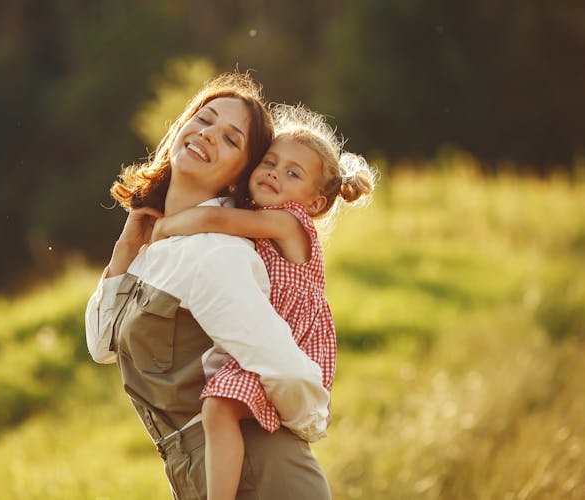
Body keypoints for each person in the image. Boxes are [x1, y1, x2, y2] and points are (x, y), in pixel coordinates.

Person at [85, 73, 332, 499]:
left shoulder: (217, 254)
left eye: (232, 139)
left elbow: (287, 369)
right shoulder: (154, 247)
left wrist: (308, 425)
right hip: (197, 477)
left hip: (265, 481)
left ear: (241, 175)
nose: (208, 135)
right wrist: (124, 252)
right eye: (204, 119)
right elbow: (102, 344)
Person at [150, 104, 376, 499]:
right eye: (269, 162)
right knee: (221, 410)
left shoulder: (287, 221)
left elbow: (218, 221)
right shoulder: (262, 219)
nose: (274, 172)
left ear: (314, 204)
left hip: (293, 340)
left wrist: (167, 227)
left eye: (292, 173)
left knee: (219, 408)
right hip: (273, 340)